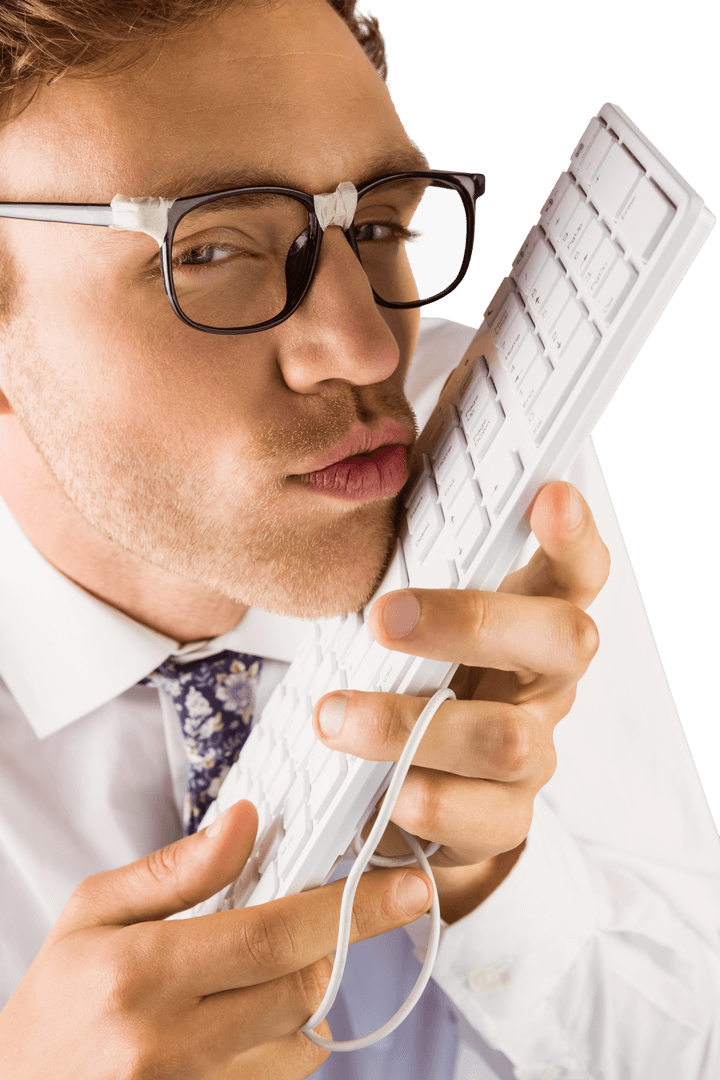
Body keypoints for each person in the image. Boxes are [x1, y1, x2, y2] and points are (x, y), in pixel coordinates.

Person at [0, 1, 717, 1077]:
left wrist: (491, 881)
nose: (367, 344)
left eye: (376, 225)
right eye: (211, 250)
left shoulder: (482, 444)